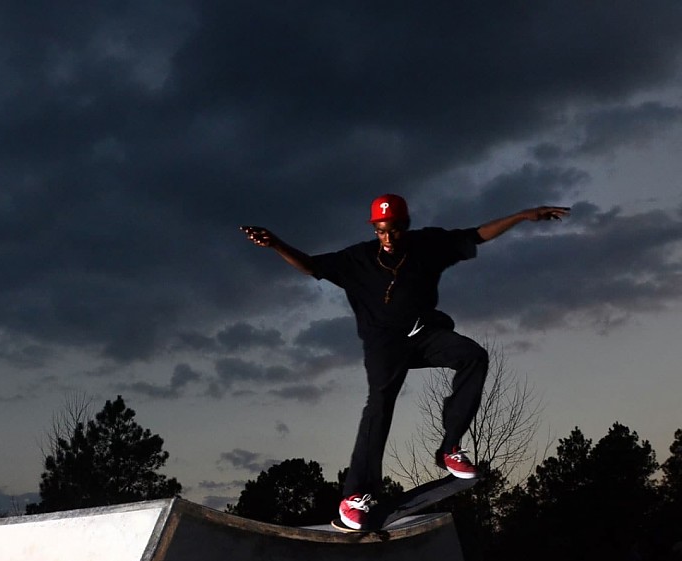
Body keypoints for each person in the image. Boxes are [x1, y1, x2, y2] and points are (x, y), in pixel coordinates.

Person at [241, 194, 569, 530]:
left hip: (423, 336)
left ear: (405, 226)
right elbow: (312, 266)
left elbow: (476, 235)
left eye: (394, 231)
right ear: (375, 230)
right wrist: (276, 244)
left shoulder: (428, 245)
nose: (387, 239)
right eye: (381, 232)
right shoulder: (358, 260)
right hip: (384, 346)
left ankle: (449, 447)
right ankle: (355, 496)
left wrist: (522, 215)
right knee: (380, 403)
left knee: (472, 356)